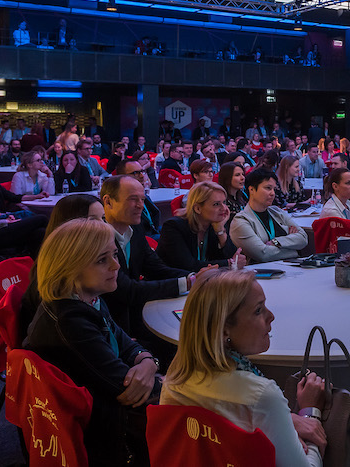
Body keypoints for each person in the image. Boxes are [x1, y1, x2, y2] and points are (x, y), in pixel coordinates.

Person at [25, 218, 158, 467]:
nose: (116, 265)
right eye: (101, 260)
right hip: (107, 431)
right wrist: (154, 371)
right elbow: (125, 390)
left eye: (114, 255)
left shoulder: (88, 298)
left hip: (106, 411)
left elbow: (125, 343)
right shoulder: (69, 321)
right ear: (69, 268)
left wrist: (149, 362)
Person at [161, 269, 327, 467]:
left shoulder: (174, 381)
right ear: (224, 329)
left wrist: (285, 422)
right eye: (258, 310)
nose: (271, 316)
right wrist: (309, 412)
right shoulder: (261, 396)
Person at [100, 174, 195, 338]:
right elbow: (127, 291)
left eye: (143, 199)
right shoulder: (98, 240)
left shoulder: (135, 230)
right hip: (112, 328)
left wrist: (194, 277)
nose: (141, 206)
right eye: (133, 199)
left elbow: (156, 269)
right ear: (108, 201)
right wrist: (185, 283)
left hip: (135, 319)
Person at [158, 181, 244, 272]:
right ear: (197, 208)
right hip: (175, 279)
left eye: (224, 202)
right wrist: (229, 263)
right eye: (216, 204)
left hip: (208, 278)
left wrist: (220, 231)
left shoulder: (215, 224)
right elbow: (188, 266)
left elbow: (233, 256)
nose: (224, 208)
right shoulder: (173, 227)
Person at [230, 169, 308, 262]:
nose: (273, 193)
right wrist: (294, 250)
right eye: (268, 188)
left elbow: (303, 238)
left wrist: (276, 242)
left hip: (290, 267)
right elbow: (263, 254)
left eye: (274, 189)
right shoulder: (241, 220)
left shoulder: (277, 212)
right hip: (260, 270)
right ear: (252, 190)